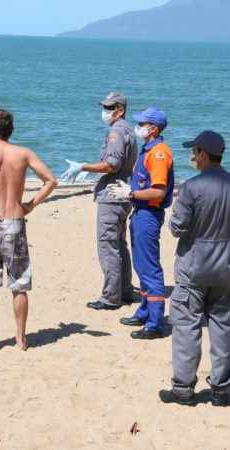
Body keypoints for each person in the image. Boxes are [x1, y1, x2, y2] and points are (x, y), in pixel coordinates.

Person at [0, 108, 57, 351]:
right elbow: (51, 181)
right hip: (15, 222)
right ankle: (20, 338)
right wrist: (31, 205)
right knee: (19, 284)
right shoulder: (23, 154)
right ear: (10, 129)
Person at [159, 131, 230, 407]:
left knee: (187, 326)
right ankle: (222, 388)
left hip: (194, 267)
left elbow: (177, 228)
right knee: (223, 326)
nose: (192, 156)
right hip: (225, 266)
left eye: (194, 151)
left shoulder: (192, 187)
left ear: (202, 154)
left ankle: (183, 388)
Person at [61, 92, 138, 310]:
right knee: (119, 244)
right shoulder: (129, 130)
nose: (105, 111)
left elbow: (112, 164)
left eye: (109, 107)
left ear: (120, 110)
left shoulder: (116, 132)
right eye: (104, 106)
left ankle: (111, 297)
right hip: (122, 194)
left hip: (113, 197)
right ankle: (124, 290)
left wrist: (83, 166)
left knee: (108, 246)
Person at [107, 107, 174, 339]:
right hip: (141, 213)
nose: (139, 127)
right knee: (141, 266)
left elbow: (157, 191)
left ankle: (155, 322)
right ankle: (145, 311)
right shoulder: (149, 150)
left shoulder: (158, 154)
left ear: (153, 129)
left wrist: (131, 194)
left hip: (148, 214)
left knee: (150, 268)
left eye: (143, 124)